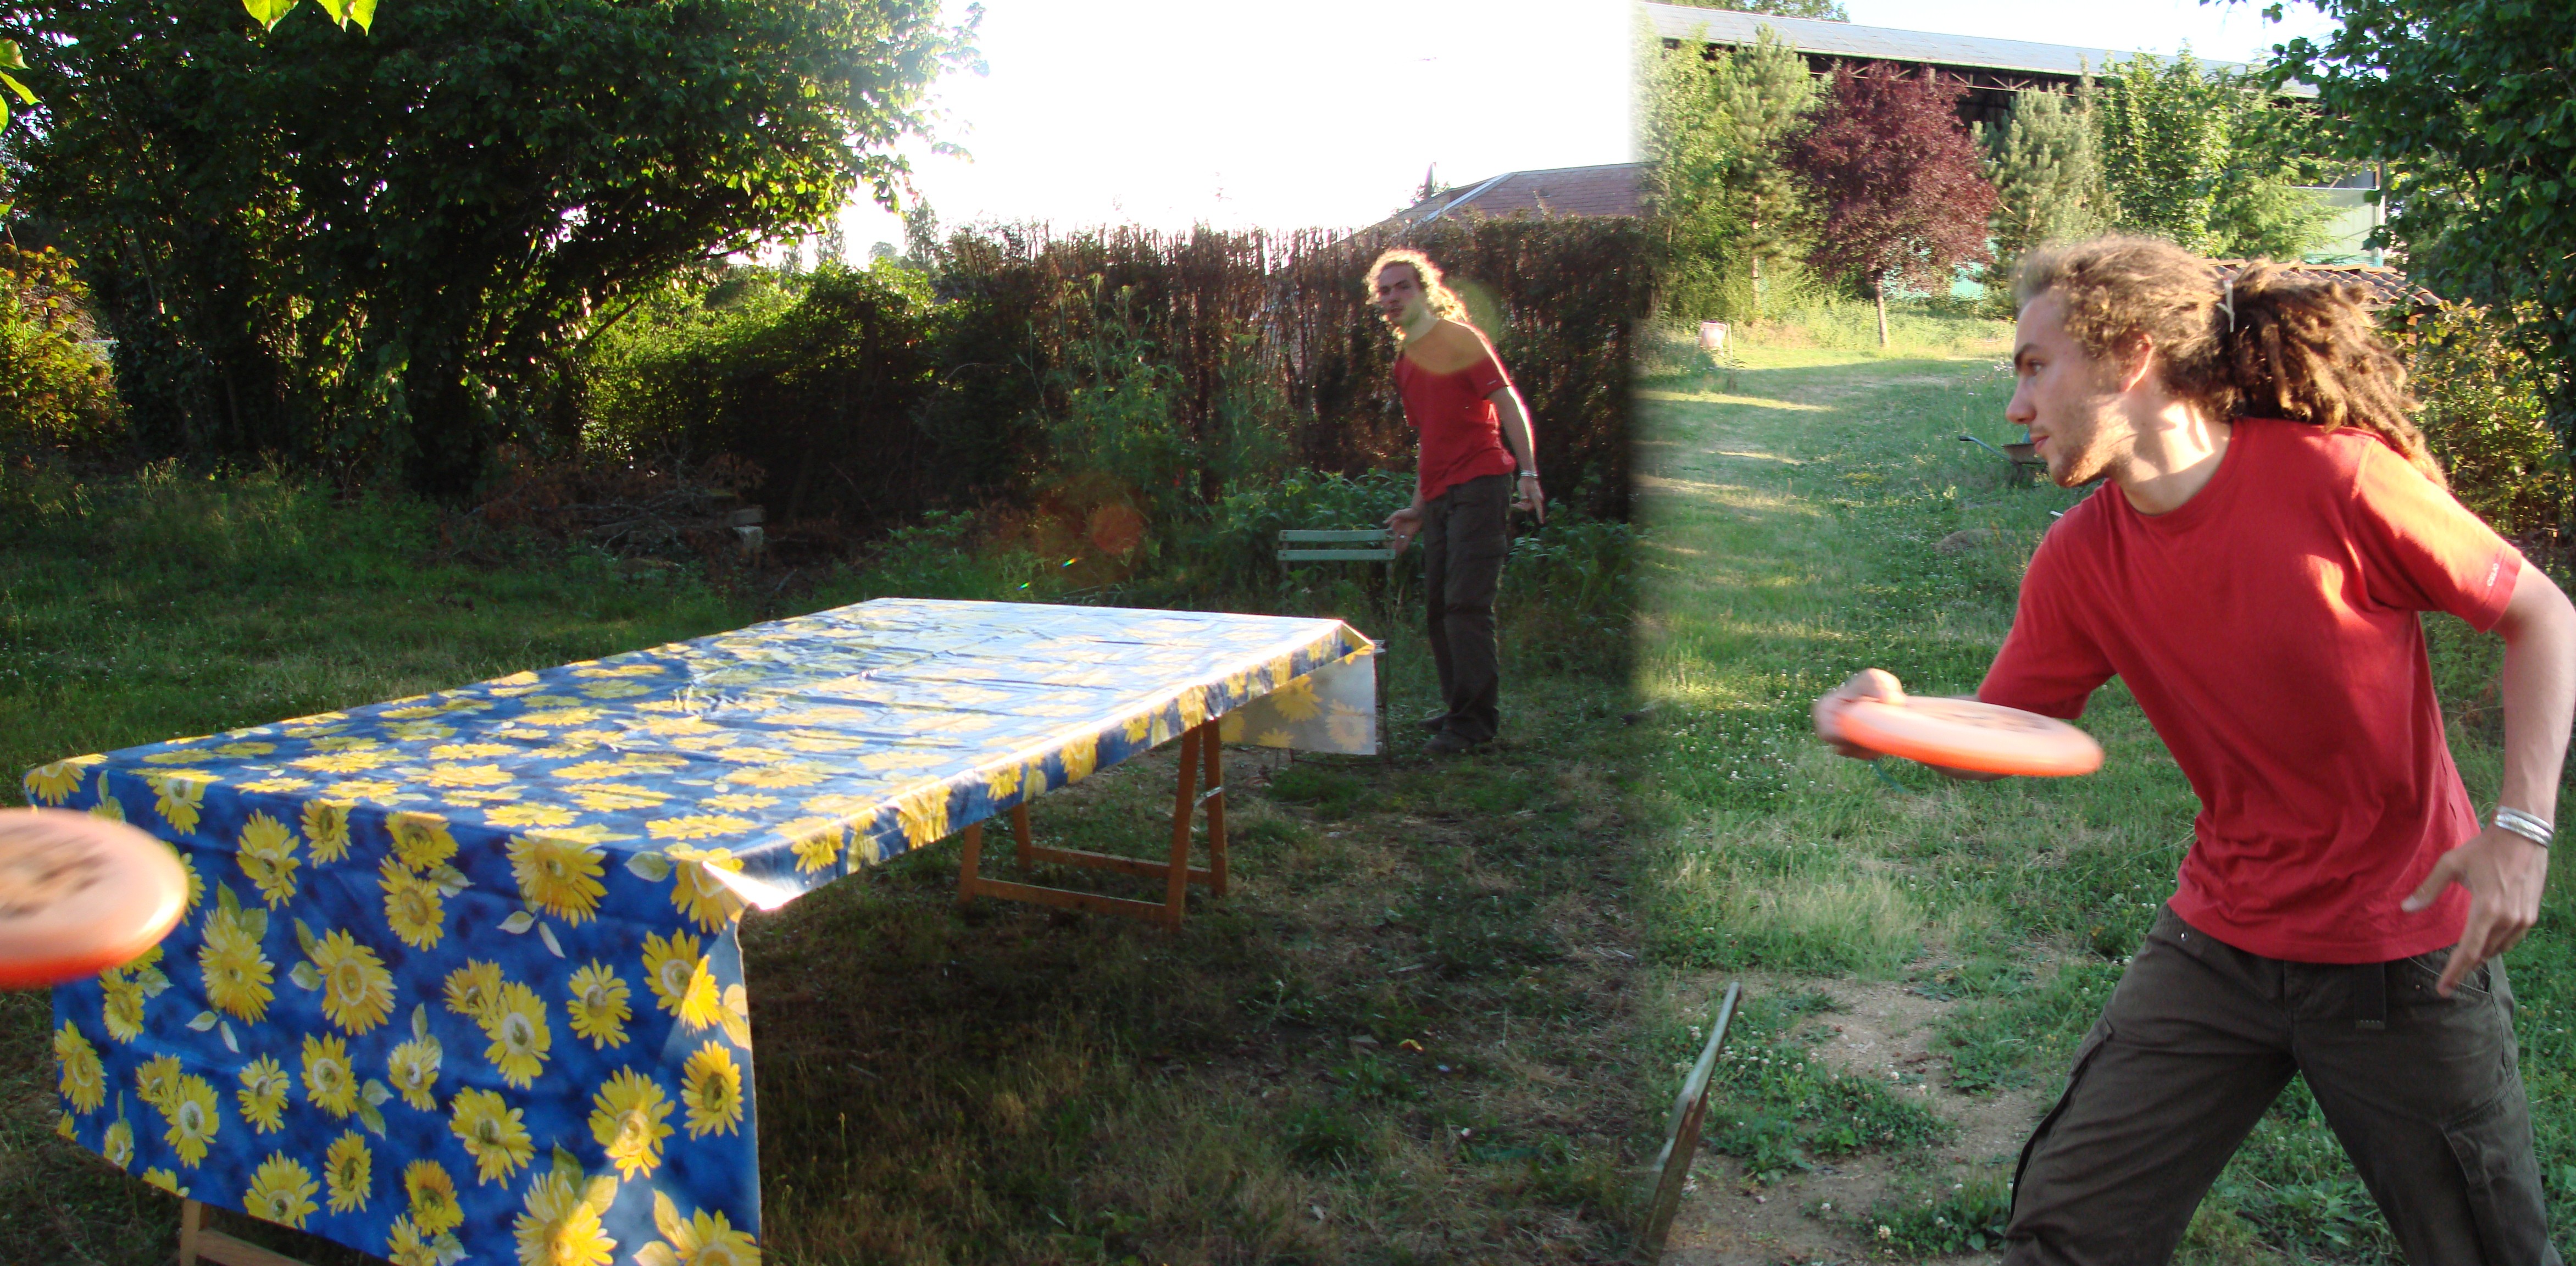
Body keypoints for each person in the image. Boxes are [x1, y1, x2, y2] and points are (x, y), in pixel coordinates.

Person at [1812, 237, 2573, 1263]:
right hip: (2219, 945)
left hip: (2402, 952)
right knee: (2067, 1229)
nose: (2016, 406)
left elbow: (2542, 615)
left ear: (2132, 356)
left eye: (2034, 367)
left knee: (2484, 1248)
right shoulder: (2081, 554)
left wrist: (2520, 829)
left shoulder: (2338, 482)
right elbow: (2000, 732)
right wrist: (1891, 721)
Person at [1370, 248, 1544, 754]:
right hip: (1442, 495)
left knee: (1467, 604)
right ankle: (1459, 709)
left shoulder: (1460, 339)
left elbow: (1508, 403)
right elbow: (1432, 440)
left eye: (1403, 287)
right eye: (1384, 291)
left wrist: (1529, 474)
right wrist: (1418, 508)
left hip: (1483, 484)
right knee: (1439, 606)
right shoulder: (1406, 362)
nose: (1393, 298)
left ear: (1425, 292)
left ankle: (1474, 725)